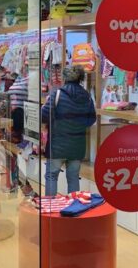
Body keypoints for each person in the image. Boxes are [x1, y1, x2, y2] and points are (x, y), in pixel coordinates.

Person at [41, 65, 96, 196]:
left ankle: (51, 206)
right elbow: (91, 119)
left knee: (51, 176)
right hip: (77, 146)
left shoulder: (57, 94)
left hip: (57, 145)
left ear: (64, 77)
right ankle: (74, 206)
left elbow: (43, 116)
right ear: (81, 78)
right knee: (73, 177)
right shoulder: (87, 97)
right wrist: (77, 124)